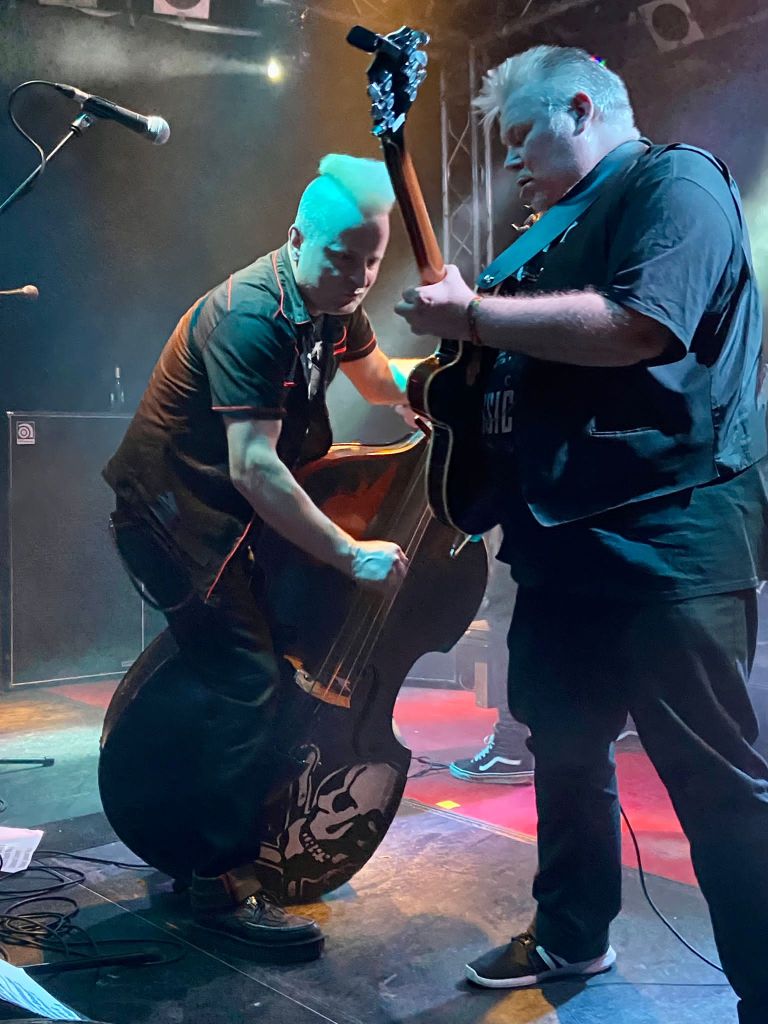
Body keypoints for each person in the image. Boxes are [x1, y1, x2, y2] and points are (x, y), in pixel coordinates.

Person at [395, 45, 768, 1024]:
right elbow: (511, 372)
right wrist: (452, 375)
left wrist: (476, 316)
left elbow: (644, 325)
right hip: (560, 545)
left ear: (580, 106)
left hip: (669, 540)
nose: (511, 157)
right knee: (562, 748)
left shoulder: (675, 182)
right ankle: (572, 932)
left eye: (523, 134)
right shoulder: (546, 236)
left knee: (718, 786)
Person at [104, 154, 419, 963]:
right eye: (342, 258)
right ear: (297, 239)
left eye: (372, 262)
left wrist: (445, 382)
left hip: (231, 519)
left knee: (250, 670)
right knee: (247, 681)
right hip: (174, 518)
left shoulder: (334, 304)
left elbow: (380, 381)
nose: (357, 278)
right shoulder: (256, 315)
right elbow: (255, 468)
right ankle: (219, 887)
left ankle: (194, 828)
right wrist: (349, 553)